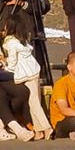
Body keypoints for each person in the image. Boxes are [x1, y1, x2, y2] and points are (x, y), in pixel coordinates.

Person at [0, 9, 52, 138]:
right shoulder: (22, 41)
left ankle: (46, 127)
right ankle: (39, 130)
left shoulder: (10, 43)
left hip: (25, 75)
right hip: (34, 72)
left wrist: (6, 66)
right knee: (34, 101)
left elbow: (12, 61)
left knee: (33, 102)